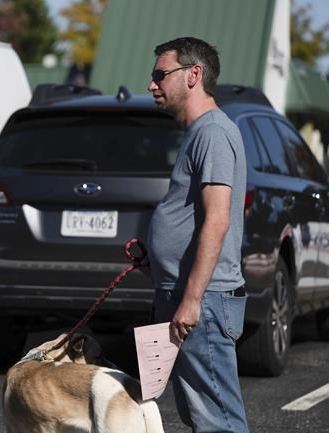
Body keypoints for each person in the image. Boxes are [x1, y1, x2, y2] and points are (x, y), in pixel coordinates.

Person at [146, 37, 250, 433]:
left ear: (193, 74)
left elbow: (218, 219)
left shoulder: (214, 133)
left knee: (218, 422)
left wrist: (190, 301)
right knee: (200, 418)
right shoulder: (197, 133)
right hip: (185, 296)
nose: (152, 84)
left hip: (203, 302)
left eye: (160, 75)